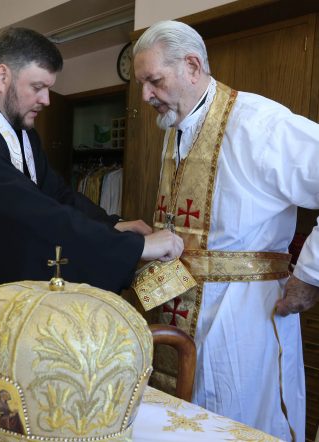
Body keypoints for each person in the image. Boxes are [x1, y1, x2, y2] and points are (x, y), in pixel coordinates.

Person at [0, 27, 183, 310]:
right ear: (3, 77)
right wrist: (136, 248)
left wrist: (111, 224)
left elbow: (55, 192)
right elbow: (30, 212)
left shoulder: (18, 128)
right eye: (38, 87)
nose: (47, 100)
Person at [133, 20, 319, 442]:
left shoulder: (261, 124)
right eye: (142, 84)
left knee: (234, 422)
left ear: (193, 67)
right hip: (179, 313)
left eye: (154, 81)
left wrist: (311, 275)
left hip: (243, 319)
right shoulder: (177, 124)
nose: (145, 95)